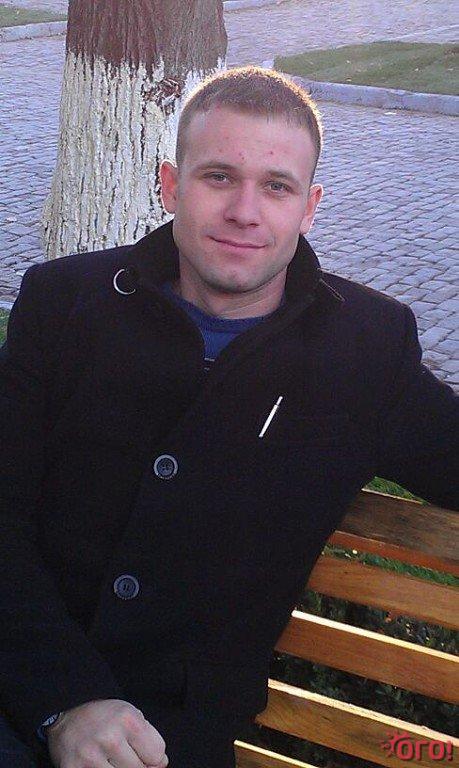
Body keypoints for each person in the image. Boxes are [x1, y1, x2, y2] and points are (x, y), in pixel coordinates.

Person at [0, 65, 457, 768]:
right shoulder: (65, 303)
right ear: (170, 186)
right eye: (218, 177)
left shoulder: (365, 346)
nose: (246, 211)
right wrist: (65, 698)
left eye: (276, 186)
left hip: (171, 738)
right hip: (22, 688)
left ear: (309, 207)